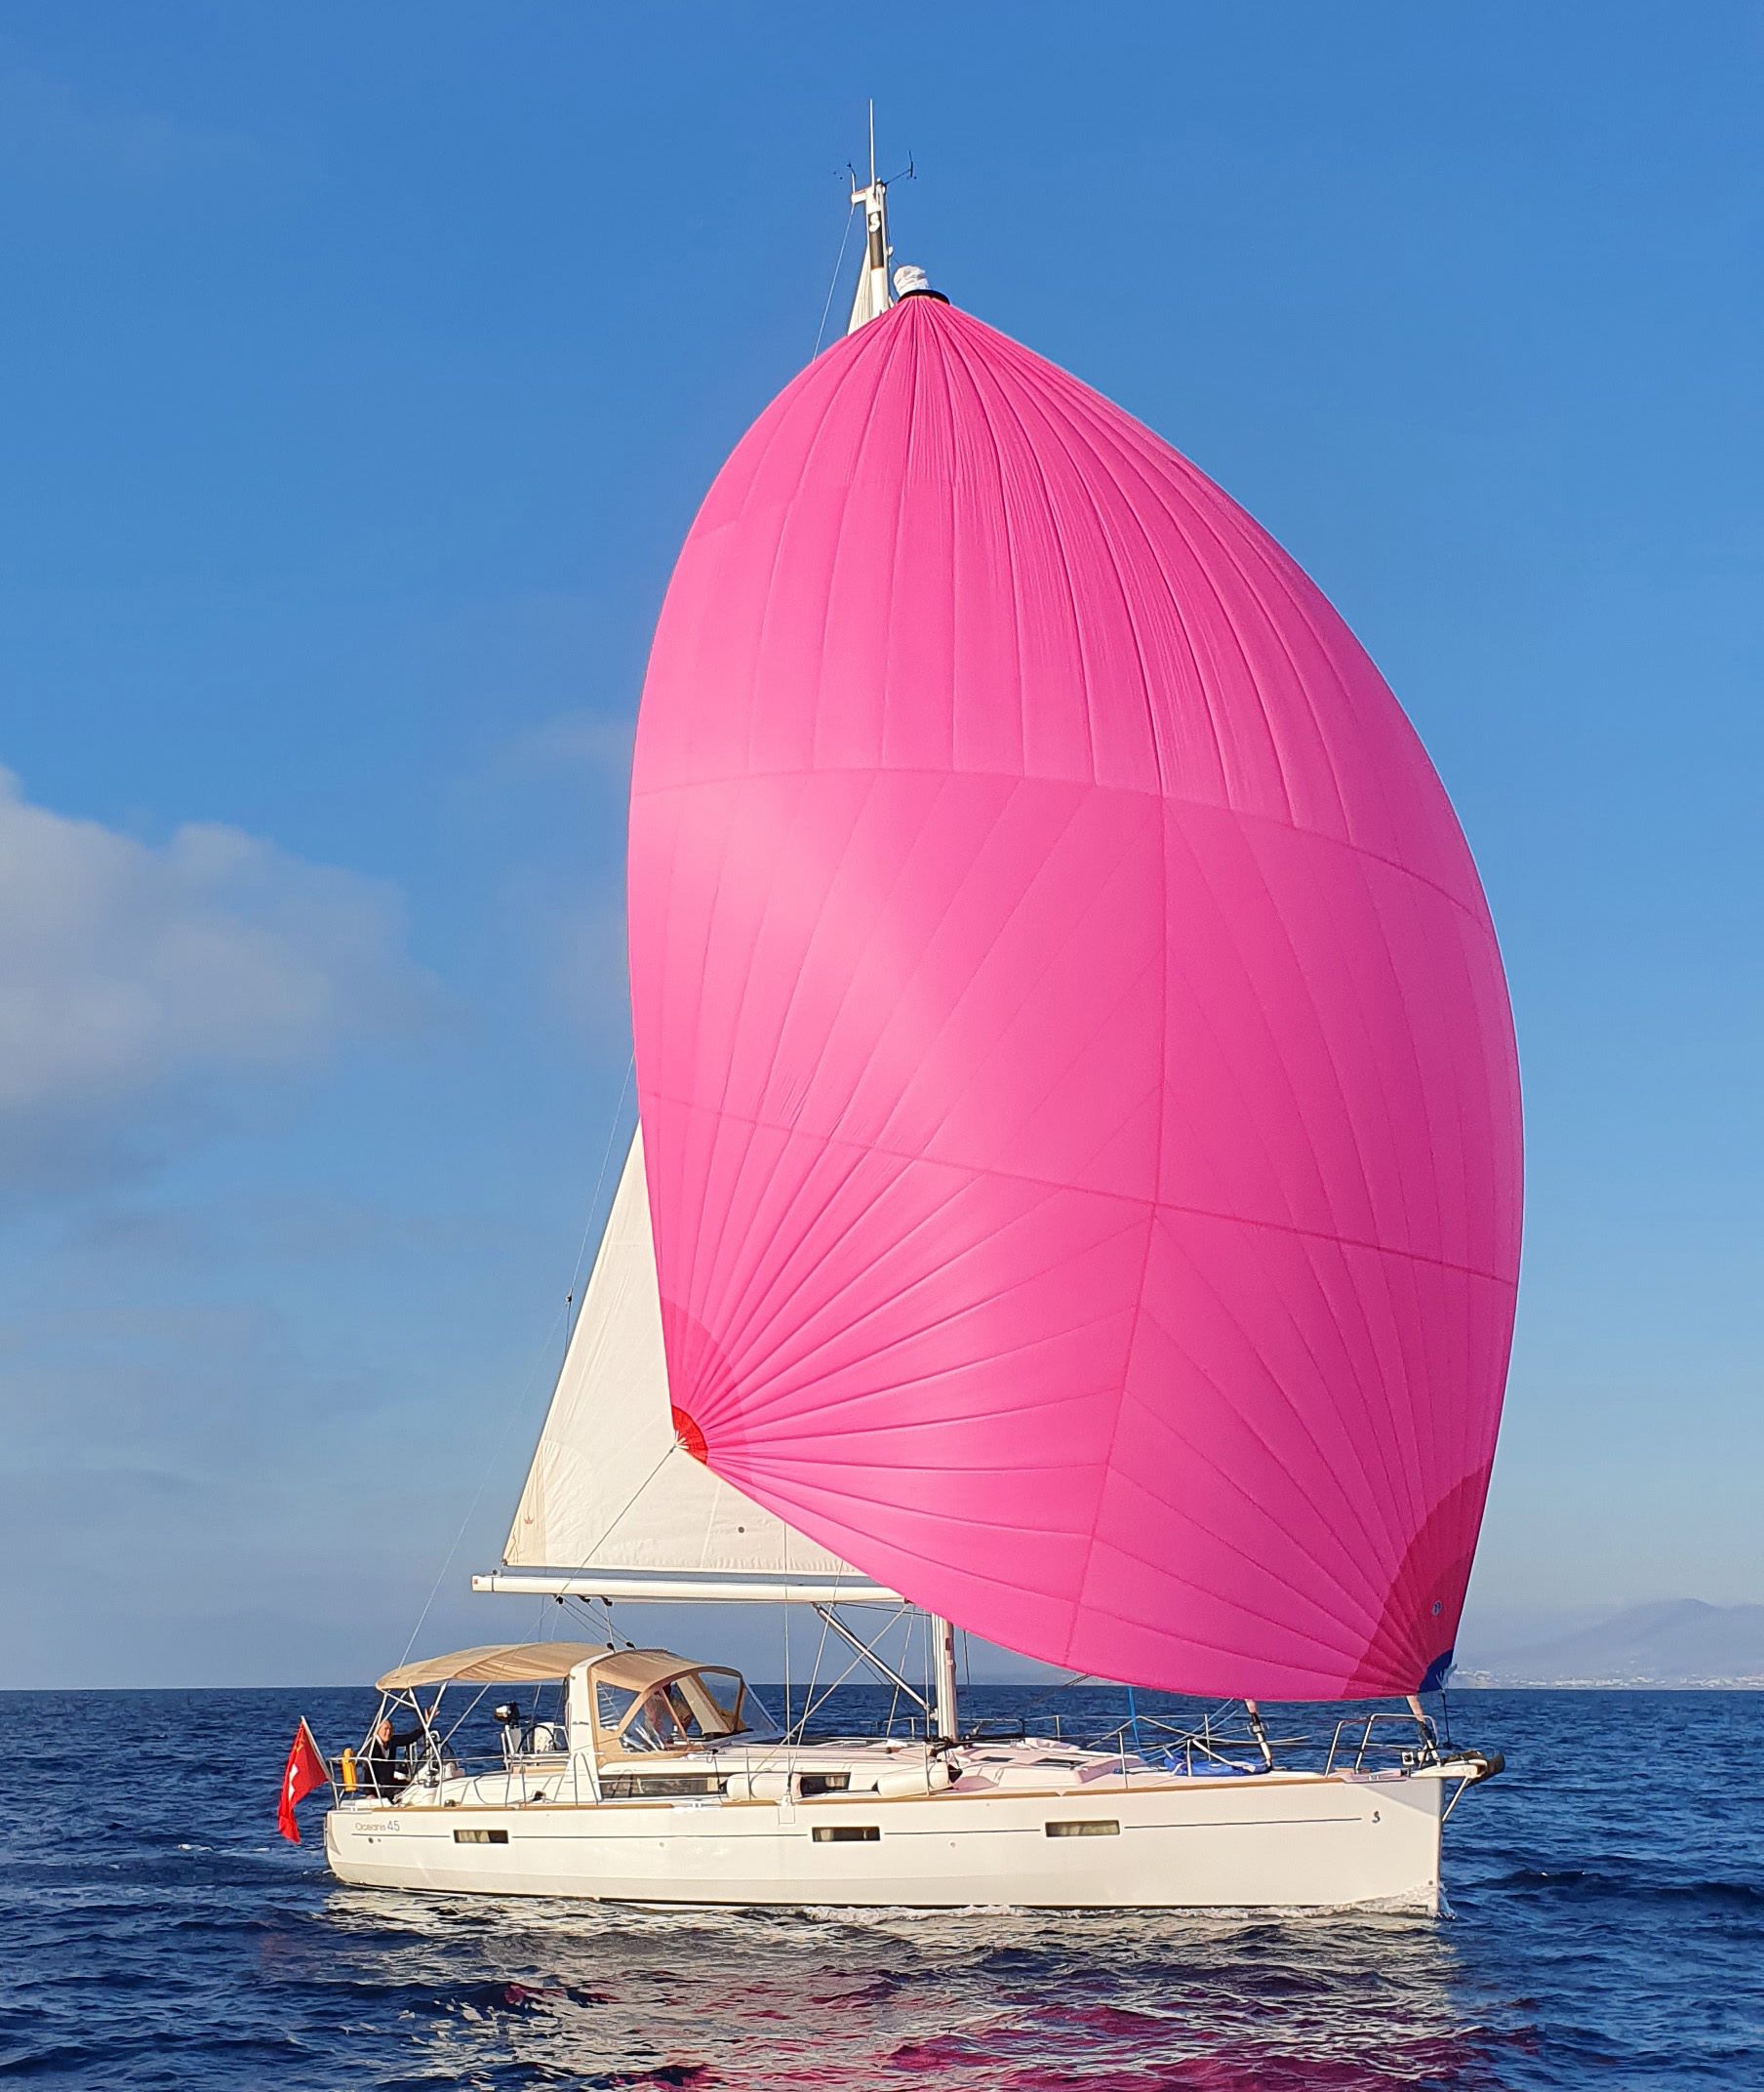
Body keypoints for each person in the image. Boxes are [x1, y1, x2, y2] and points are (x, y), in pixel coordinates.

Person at [360, 1711, 425, 1793]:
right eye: (385, 1729)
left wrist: (424, 1725)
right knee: (399, 1792)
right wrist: (369, 1793)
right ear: (377, 1730)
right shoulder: (371, 1747)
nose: (388, 1732)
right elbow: (366, 1770)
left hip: (390, 1782)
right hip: (378, 1787)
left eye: (390, 1729)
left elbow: (409, 1738)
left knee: (415, 1786)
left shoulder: (392, 1741)